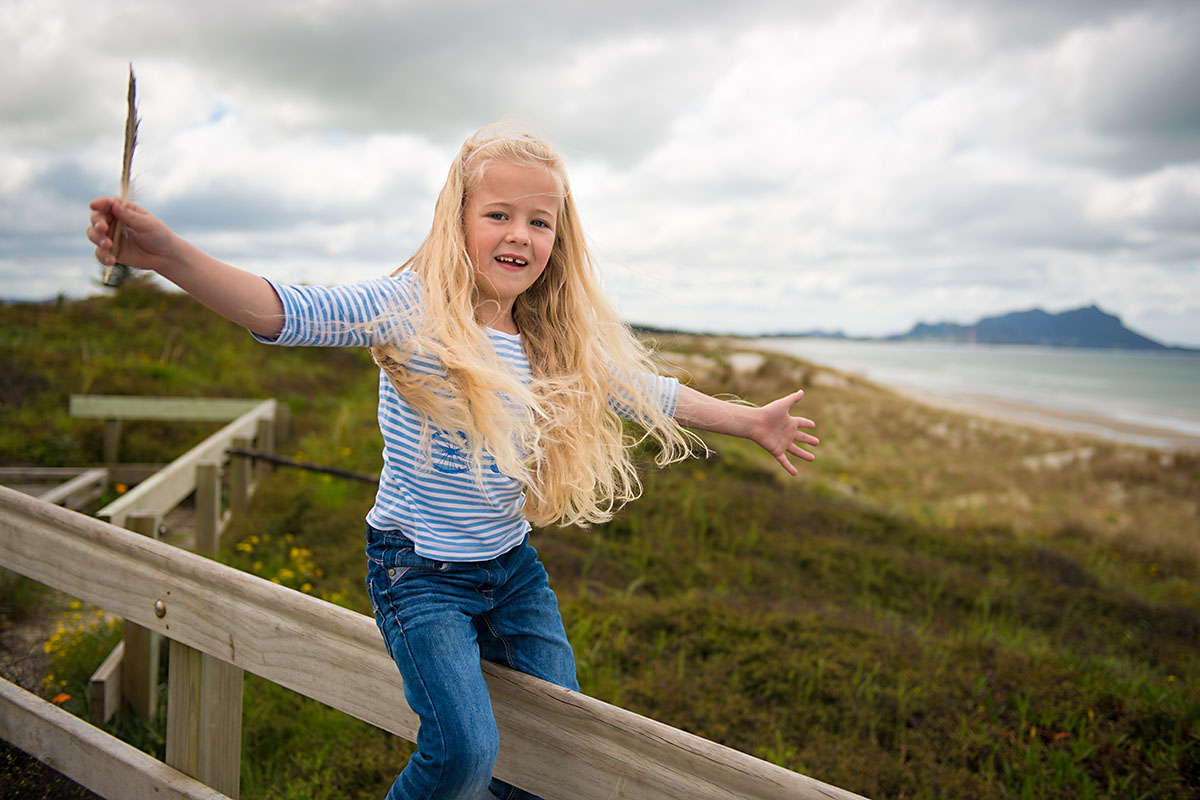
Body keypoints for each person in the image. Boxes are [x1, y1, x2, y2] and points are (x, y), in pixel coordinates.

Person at [87, 124, 819, 800]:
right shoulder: (413, 310)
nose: (520, 236)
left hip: (510, 568)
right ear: (459, 218)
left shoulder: (550, 335)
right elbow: (284, 310)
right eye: (499, 214)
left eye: (540, 221)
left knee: (554, 742)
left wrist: (748, 421)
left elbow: (643, 391)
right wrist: (168, 257)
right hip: (420, 573)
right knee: (464, 751)